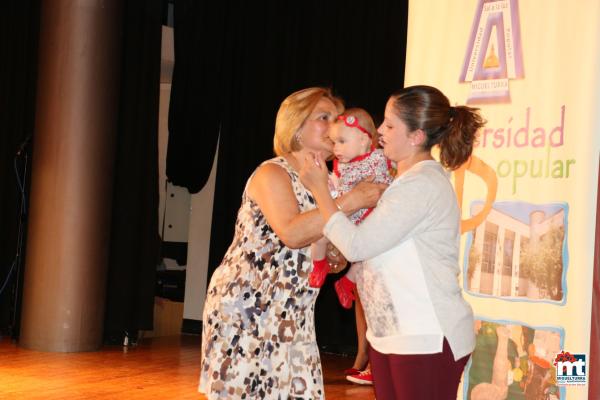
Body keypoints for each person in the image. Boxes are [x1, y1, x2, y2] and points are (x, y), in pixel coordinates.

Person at [198, 87, 386, 400]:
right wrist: (352, 200)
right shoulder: (273, 172)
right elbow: (292, 233)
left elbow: (328, 250)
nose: (332, 125)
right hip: (249, 309)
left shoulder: (328, 181)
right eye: (322, 117)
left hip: (292, 315)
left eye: (336, 118)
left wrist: (337, 257)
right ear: (296, 128)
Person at [300, 85, 485, 399]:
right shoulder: (402, 182)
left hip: (425, 336)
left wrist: (320, 191)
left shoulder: (422, 184)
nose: (380, 131)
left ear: (415, 137)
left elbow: (357, 245)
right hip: (392, 335)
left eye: (389, 124)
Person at [307, 108, 393, 386]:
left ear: (366, 141)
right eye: (334, 142)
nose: (337, 148)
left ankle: (346, 282)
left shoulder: (378, 159)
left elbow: (384, 186)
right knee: (321, 228)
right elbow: (337, 193)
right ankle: (319, 263)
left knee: (365, 255)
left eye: (342, 142)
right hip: (344, 217)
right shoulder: (340, 166)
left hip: (365, 220)